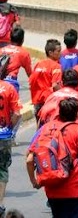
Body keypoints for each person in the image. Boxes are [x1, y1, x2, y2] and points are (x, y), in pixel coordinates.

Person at [26, 98, 78, 218]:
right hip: (74, 189)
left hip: (51, 189)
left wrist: (34, 182)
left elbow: (29, 159)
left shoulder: (45, 128)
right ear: (77, 113)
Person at [0, 75, 20, 216]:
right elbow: (17, 113)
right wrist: (9, 127)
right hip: (3, 135)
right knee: (2, 170)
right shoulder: (9, 87)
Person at [29, 38, 63, 120]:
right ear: (50, 53)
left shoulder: (38, 64)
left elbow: (31, 81)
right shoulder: (56, 66)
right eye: (58, 51)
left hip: (37, 102)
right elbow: (55, 85)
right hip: (49, 102)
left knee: (39, 128)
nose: (60, 53)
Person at [1, 27, 32, 92]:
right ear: (22, 40)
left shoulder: (1, 50)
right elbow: (30, 73)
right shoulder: (23, 53)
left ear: (10, 38)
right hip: (10, 83)